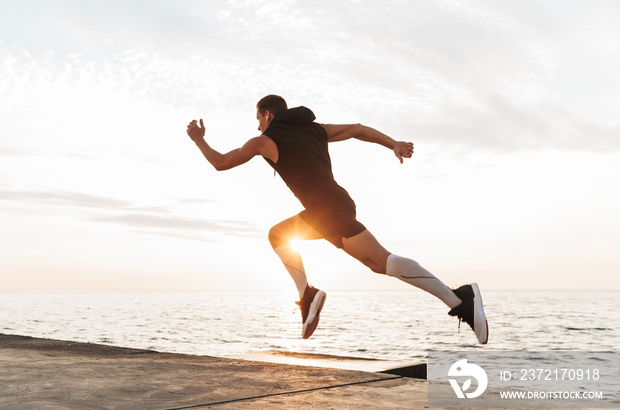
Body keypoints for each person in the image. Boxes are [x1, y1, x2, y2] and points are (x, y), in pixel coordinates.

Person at [187, 94, 488, 344]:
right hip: (328, 208)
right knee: (279, 235)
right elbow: (357, 129)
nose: (258, 125)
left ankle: (460, 300)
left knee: (381, 261)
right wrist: (392, 143)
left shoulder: (264, 140)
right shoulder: (315, 130)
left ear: (267, 114)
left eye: (258, 119)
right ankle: (308, 295)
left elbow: (222, 162)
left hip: (328, 210)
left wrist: (199, 140)